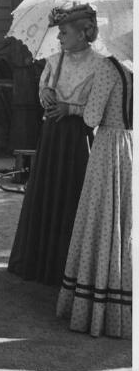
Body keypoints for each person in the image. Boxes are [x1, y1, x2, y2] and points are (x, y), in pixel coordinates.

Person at [8, 4, 103, 286]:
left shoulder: (100, 64)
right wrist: (46, 94)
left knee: (70, 191)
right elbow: (44, 91)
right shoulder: (53, 60)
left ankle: (64, 265)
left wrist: (70, 109)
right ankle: (37, 260)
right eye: (59, 33)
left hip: (77, 137)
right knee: (46, 189)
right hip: (52, 134)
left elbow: (98, 107)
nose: (59, 38)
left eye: (64, 32)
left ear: (84, 34)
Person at [56, 55, 132, 338]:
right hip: (132, 144)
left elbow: (91, 117)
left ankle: (98, 302)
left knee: (102, 215)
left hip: (109, 148)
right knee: (126, 219)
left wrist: (78, 104)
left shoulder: (110, 67)